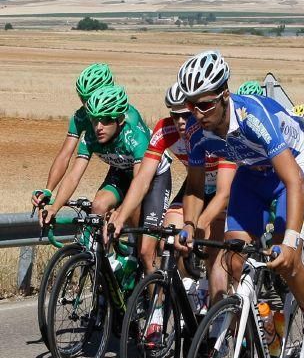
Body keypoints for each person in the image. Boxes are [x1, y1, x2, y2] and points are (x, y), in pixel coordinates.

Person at [173, 50, 304, 358]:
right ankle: (250, 334)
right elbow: (195, 187)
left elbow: (293, 180)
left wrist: (291, 240)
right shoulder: (196, 133)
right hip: (251, 173)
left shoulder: (253, 116)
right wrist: (189, 224)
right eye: (190, 105)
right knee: (233, 258)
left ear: (225, 95)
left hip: (290, 170)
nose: (196, 114)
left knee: (288, 261)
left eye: (204, 104)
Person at [107, 83, 236, 303]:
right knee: (169, 236)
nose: (181, 122)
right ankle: (185, 295)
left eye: (186, 115)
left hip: (228, 188)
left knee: (215, 257)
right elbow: (143, 178)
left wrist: (199, 225)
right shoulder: (164, 130)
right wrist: (120, 216)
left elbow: (224, 193)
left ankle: (222, 316)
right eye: (175, 116)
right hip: (196, 186)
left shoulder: (213, 132)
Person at [40, 84, 170, 273]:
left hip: (152, 176)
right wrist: (54, 208)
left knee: (145, 250)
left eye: (105, 120)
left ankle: (155, 298)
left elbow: (140, 182)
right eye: (94, 120)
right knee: (98, 206)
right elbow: (74, 176)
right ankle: (108, 267)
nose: (98, 127)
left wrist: (120, 211)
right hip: (121, 169)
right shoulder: (92, 136)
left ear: (119, 119)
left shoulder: (135, 136)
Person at [33, 63, 147, 209]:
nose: (87, 107)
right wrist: (48, 190)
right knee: (99, 206)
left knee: (133, 211)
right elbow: (65, 155)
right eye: (83, 100)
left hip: (144, 168)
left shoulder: (127, 118)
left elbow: (141, 168)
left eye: (90, 99)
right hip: (120, 167)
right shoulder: (80, 117)